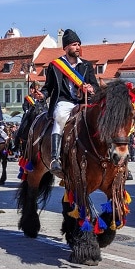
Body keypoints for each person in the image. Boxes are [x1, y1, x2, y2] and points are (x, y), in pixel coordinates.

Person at [41, 29, 99, 177]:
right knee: (59, 117)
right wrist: (42, 94)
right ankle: (55, 158)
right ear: (65, 48)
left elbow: (95, 86)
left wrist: (91, 88)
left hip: (83, 101)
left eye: (79, 44)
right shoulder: (55, 66)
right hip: (64, 101)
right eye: (74, 44)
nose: (78, 47)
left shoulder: (86, 65)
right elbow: (49, 88)